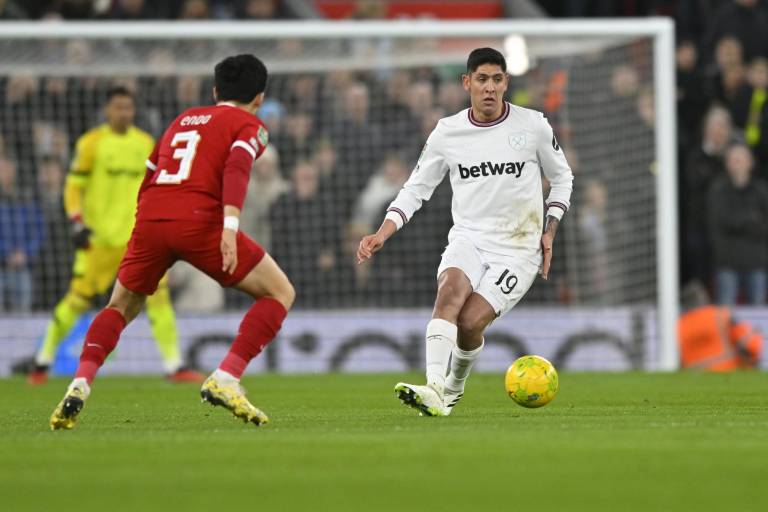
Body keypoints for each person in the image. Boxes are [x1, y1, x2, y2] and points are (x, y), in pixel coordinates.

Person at [49, 54, 295, 430]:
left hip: (151, 220)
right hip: (200, 222)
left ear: (215, 91)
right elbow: (236, 168)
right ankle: (227, 377)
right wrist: (229, 227)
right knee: (279, 293)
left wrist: (143, 228)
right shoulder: (250, 124)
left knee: (120, 306)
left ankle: (80, 382)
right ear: (259, 97)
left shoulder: (182, 120)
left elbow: (150, 173)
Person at [357, 48, 573, 416]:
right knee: (448, 294)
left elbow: (563, 177)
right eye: (482, 79)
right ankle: (434, 388)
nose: (489, 88)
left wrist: (550, 230)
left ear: (506, 82)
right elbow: (415, 188)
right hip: (468, 238)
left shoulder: (533, 125)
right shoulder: (447, 132)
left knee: (470, 324)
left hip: (519, 248)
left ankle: (451, 389)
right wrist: (383, 232)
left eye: (497, 79)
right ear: (466, 82)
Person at [24, 87, 203, 385]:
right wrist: (76, 222)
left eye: (129, 108)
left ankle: (175, 365)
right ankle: (42, 362)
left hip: (140, 239)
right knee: (77, 299)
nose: (124, 113)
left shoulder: (145, 142)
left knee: (159, 298)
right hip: (100, 241)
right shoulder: (91, 143)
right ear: (107, 111)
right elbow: (73, 186)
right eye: (119, 108)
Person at [707, 143, 768, 304]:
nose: (738, 164)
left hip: (756, 261)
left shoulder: (761, 190)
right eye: (734, 160)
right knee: (726, 314)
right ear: (727, 163)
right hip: (727, 262)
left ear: (751, 162)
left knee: (758, 314)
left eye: (742, 159)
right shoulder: (718, 190)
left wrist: (739, 222)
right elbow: (722, 220)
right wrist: (752, 219)